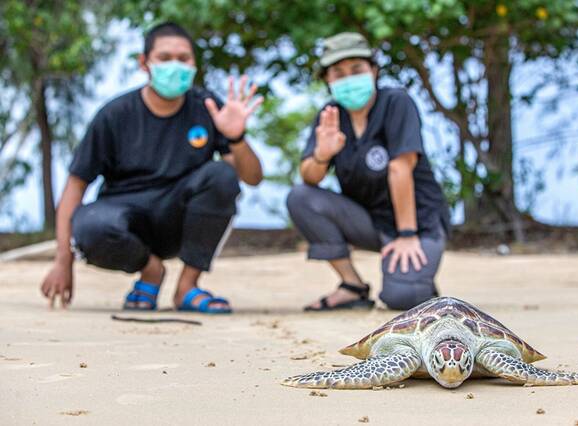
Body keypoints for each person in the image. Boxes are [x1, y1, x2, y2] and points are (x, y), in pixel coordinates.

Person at [40, 22, 264, 313]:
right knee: (88, 224)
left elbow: (252, 177)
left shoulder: (206, 107)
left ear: (194, 63)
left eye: (184, 59)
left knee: (222, 174)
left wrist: (236, 138)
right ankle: (151, 271)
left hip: (178, 219)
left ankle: (187, 287)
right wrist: (62, 260)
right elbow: (75, 185)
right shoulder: (114, 115)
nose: (175, 66)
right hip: (124, 220)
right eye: (165, 58)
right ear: (144, 63)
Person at [287, 32, 450, 311]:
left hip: (418, 222)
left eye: (356, 69)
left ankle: (416, 280)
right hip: (370, 221)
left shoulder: (396, 103)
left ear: (373, 70)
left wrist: (407, 235)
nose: (348, 79)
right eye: (338, 72)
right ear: (327, 79)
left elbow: (400, 168)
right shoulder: (330, 115)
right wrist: (322, 155)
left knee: (402, 299)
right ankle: (352, 286)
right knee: (300, 197)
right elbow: (309, 176)